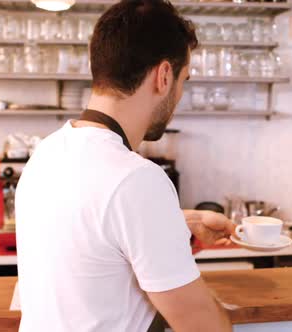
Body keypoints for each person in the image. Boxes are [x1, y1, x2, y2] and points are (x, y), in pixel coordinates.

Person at [15, 1, 235, 331]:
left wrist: (179, 222)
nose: (180, 93)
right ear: (164, 75)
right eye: (183, 79)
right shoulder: (138, 179)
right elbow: (203, 326)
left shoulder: (47, 153)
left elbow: (90, 230)